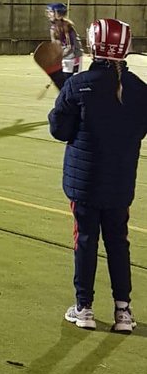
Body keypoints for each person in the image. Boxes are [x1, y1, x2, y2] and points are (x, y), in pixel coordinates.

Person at [48, 17, 147, 332]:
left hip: (85, 183)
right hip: (120, 182)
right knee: (119, 241)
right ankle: (124, 312)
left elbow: (59, 130)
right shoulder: (141, 91)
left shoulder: (79, 85)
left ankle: (84, 308)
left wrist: (65, 96)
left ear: (94, 45)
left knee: (86, 241)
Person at [45, 2, 82, 90]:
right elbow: (54, 44)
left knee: (69, 80)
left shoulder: (67, 26)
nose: (49, 14)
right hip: (64, 55)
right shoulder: (53, 28)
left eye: (51, 12)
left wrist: (61, 56)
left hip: (73, 56)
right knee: (63, 82)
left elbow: (70, 47)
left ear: (58, 13)